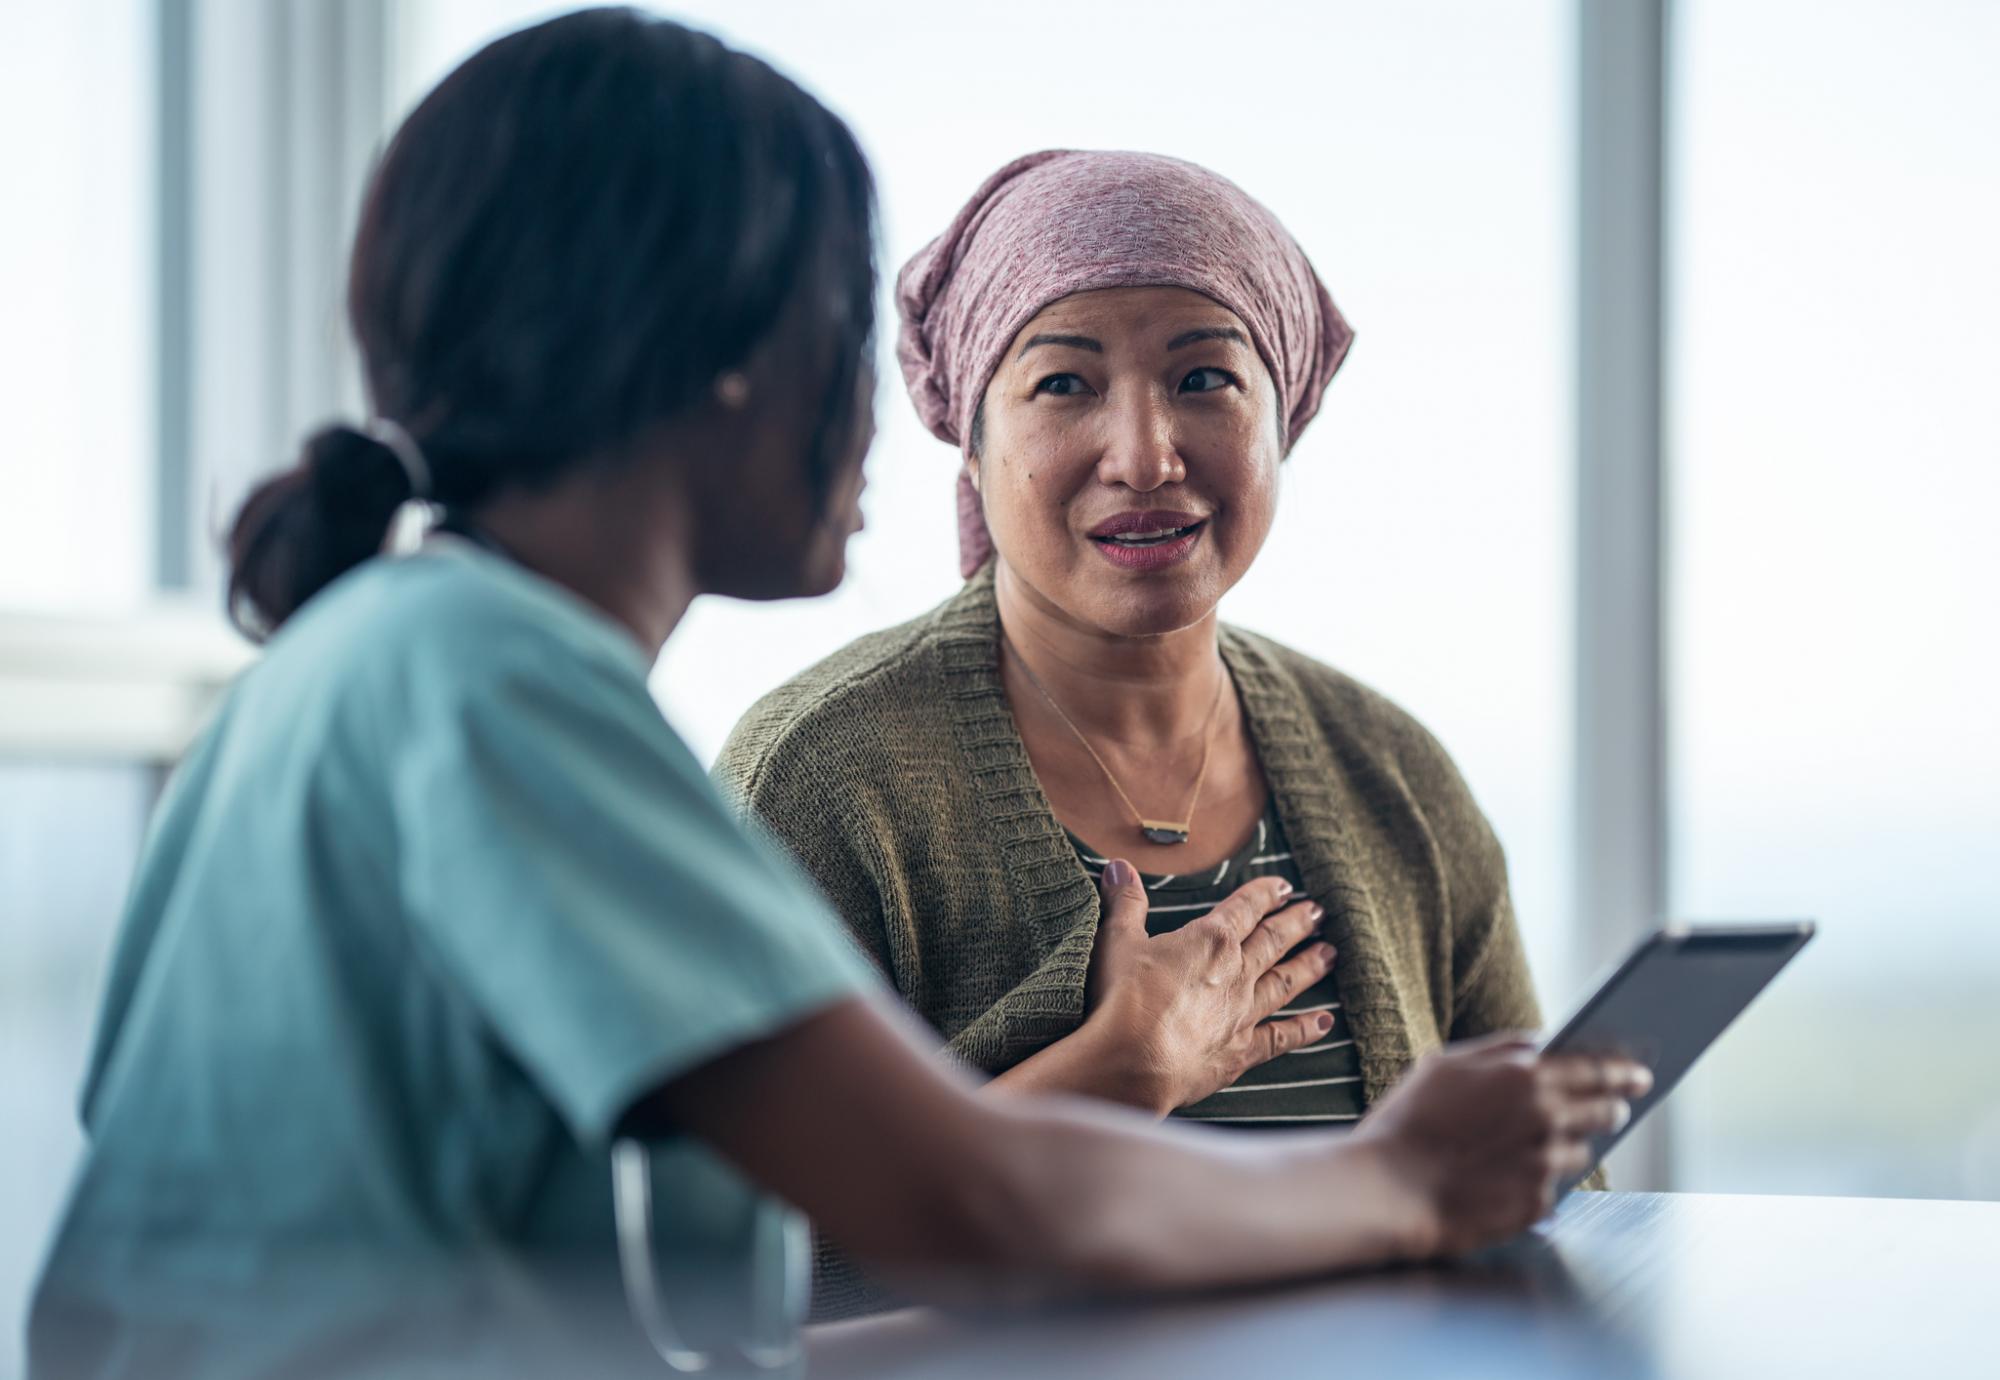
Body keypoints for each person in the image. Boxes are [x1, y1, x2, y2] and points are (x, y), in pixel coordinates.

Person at [28, 14, 1646, 1378]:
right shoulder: (486, 687)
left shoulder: (372, 659)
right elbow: (965, 1204)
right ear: (727, 349)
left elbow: (712, 1295)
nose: (888, 409)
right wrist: (1397, 1183)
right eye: (845, 319)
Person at [715, 149, 1585, 1319]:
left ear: (1285, 423)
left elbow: (1547, 1196)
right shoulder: (819, 779)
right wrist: (1114, 1077)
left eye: (1205, 379)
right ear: (970, 440)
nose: (1144, 456)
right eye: (1064, 386)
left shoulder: (1391, 771)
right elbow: (730, 1280)